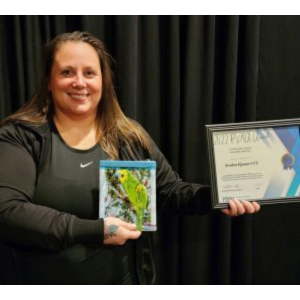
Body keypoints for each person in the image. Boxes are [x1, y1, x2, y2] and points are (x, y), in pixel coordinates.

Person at [0, 31, 260, 285]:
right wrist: (96, 230)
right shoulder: (21, 136)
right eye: (67, 72)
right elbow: (8, 211)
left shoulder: (129, 136)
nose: (79, 82)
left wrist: (216, 197)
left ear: (104, 80)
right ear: (49, 80)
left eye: (89, 73)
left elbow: (169, 192)